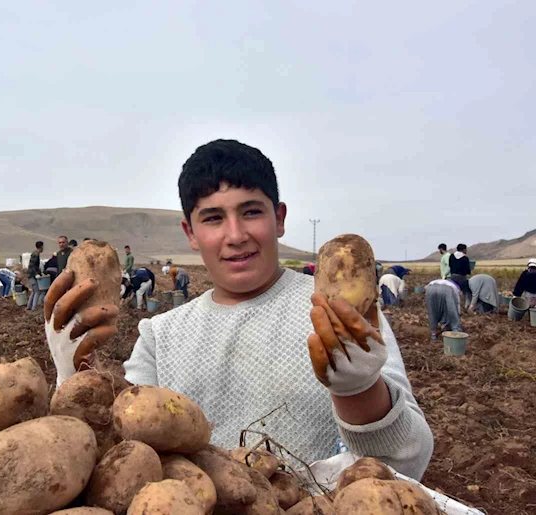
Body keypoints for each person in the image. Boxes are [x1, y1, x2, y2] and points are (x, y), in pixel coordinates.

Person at [43, 139, 432, 480]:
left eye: (251, 212)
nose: (235, 235)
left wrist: (360, 391)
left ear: (279, 219)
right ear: (191, 234)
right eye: (213, 218)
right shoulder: (161, 335)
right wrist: (71, 373)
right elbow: (114, 454)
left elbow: (408, 463)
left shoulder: (339, 318)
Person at [425, 277, 462, 341]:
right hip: (446, 289)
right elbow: (455, 306)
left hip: (429, 288)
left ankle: (433, 333)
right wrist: (458, 314)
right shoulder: (455, 289)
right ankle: (456, 331)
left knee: (432, 311)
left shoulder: (448, 283)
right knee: (452, 310)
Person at [26, 241, 44, 310]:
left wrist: (39, 273)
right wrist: (36, 274)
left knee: (34, 291)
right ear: (41, 246)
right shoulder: (36, 254)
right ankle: (34, 308)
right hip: (32, 275)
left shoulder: (35, 253)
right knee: (37, 291)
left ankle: (29, 306)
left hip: (31, 275)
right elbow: (33, 266)